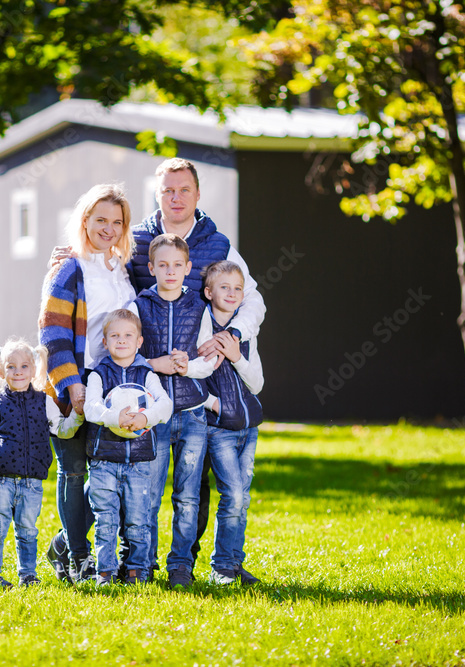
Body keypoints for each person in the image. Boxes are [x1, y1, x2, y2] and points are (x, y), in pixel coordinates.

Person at [127, 158, 267, 571]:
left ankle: (185, 561)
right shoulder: (136, 242)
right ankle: (136, 560)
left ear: (197, 194)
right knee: (138, 479)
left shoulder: (217, 243)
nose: (176, 197)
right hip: (147, 379)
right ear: (157, 194)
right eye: (168, 189)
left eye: (184, 189)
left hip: (200, 383)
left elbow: (253, 298)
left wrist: (233, 338)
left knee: (194, 482)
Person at [38, 183, 137, 583]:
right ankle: (79, 558)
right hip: (74, 385)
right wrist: (71, 384)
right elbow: (52, 331)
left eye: (117, 222)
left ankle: (62, 544)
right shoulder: (69, 266)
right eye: (101, 220)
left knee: (105, 477)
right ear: (85, 221)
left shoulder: (120, 268)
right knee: (75, 471)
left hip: (111, 388)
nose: (109, 228)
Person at [126, 234, 217, 589]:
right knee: (147, 492)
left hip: (193, 413)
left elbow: (207, 361)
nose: (170, 271)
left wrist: (185, 367)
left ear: (188, 269)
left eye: (177, 265)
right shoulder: (139, 305)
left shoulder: (199, 307)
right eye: (162, 265)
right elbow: (128, 358)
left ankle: (180, 564)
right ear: (151, 269)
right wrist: (156, 364)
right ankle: (141, 563)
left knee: (187, 494)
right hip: (155, 413)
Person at [0, 338, 84, 590]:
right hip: (1, 479)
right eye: (11, 367)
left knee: (28, 530)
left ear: (34, 369)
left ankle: (28, 575)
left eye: (24, 366)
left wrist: (77, 413)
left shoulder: (45, 402)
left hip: (32, 481)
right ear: (0, 371)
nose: (18, 372)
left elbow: (63, 431)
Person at [83, 309, 173, 585]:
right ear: (105, 341)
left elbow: (165, 404)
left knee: (138, 519)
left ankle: (136, 570)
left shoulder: (147, 375)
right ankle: (105, 572)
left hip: (140, 460)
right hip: (104, 460)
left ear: (139, 342)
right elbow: (91, 407)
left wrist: (145, 417)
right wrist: (115, 417)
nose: (121, 341)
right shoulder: (99, 374)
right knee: (106, 519)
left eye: (128, 335)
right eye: (115, 336)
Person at [199, 261, 264, 586]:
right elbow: (192, 382)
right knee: (233, 495)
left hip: (249, 426)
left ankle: (234, 563)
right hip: (219, 428)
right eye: (224, 287)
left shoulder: (244, 332)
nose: (232, 293)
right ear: (209, 292)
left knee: (244, 497)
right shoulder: (201, 328)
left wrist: (236, 355)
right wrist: (216, 405)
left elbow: (258, 383)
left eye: (238, 288)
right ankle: (221, 566)